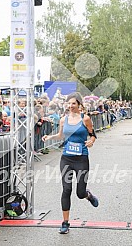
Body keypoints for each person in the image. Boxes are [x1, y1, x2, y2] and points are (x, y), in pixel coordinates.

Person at [42, 92, 99, 234]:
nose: (70, 106)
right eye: (68, 103)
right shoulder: (63, 119)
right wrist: (50, 137)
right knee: (66, 189)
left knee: (80, 193)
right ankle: (65, 223)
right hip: (66, 158)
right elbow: (61, 135)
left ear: (79, 104)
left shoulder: (85, 119)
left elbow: (93, 135)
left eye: (73, 103)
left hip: (81, 159)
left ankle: (88, 195)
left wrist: (91, 141)